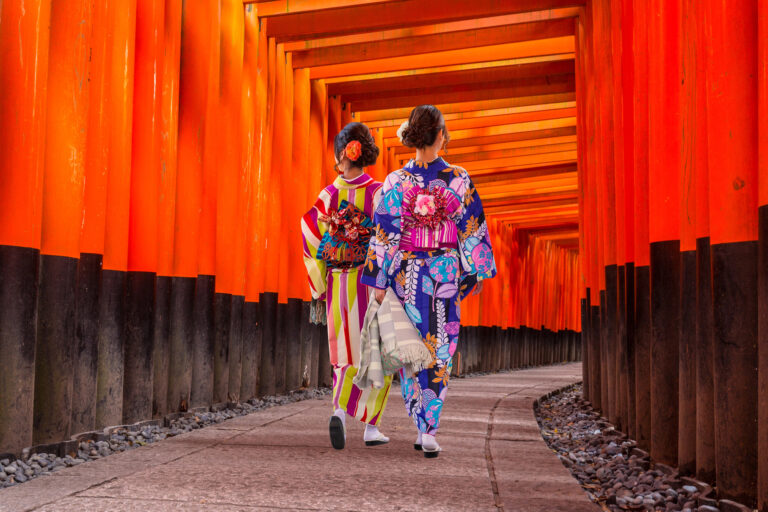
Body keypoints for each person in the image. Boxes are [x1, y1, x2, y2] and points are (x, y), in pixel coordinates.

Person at [361, 105, 496, 458]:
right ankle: (428, 428)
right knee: (440, 350)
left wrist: (379, 278)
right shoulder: (459, 179)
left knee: (413, 350)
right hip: (443, 274)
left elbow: (384, 234)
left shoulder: (395, 182)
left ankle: (421, 421)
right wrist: (477, 268)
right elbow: (472, 227)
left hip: (406, 273)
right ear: (440, 136)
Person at [301, 122, 392, 450]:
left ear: (343, 153)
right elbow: (387, 237)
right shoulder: (378, 192)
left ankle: (339, 410)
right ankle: (370, 427)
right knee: (378, 352)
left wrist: (319, 283)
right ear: (363, 153)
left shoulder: (328, 195)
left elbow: (310, 233)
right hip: (370, 283)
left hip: (339, 282)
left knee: (343, 350)